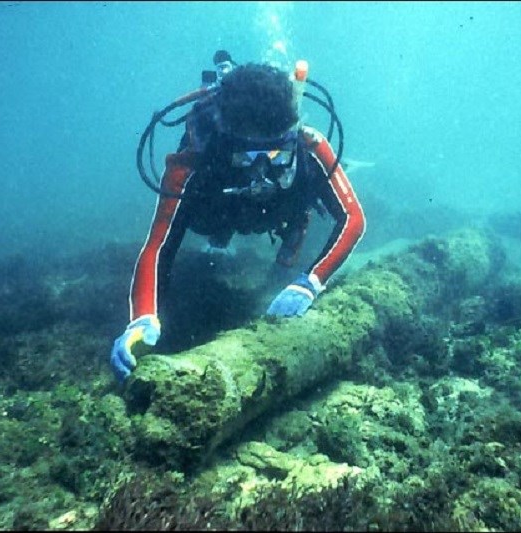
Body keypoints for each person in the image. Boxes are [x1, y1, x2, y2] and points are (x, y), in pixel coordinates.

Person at [110, 52, 366, 382]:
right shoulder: (190, 164)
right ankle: (222, 237)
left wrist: (310, 283)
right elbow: (158, 247)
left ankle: (296, 224)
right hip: (217, 212)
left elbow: (354, 218)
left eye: (276, 154)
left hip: (280, 211)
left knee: (299, 199)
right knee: (210, 226)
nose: (262, 170)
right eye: (248, 155)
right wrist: (141, 319)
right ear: (225, 139)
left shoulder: (308, 144)